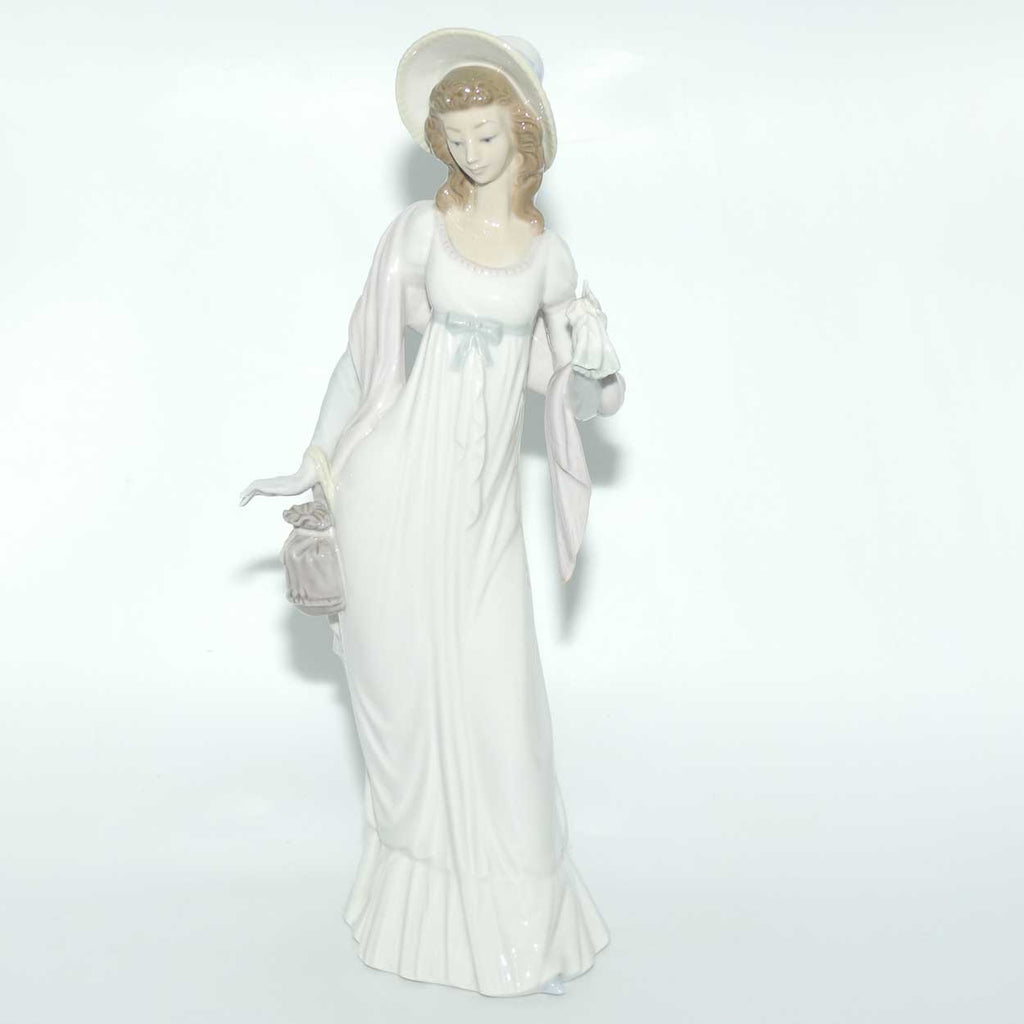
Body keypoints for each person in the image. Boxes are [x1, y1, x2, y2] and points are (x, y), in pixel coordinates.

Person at [240, 28, 624, 997]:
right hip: (393, 494)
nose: (470, 152)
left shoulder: (549, 260)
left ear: (523, 132)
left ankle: (523, 928)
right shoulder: (418, 232)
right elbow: (363, 359)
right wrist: (317, 459)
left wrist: (597, 364)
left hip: (481, 522)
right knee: (404, 709)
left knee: (504, 716)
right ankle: (419, 911)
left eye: (486, 135)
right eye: (455, 138)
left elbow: (579, 399)